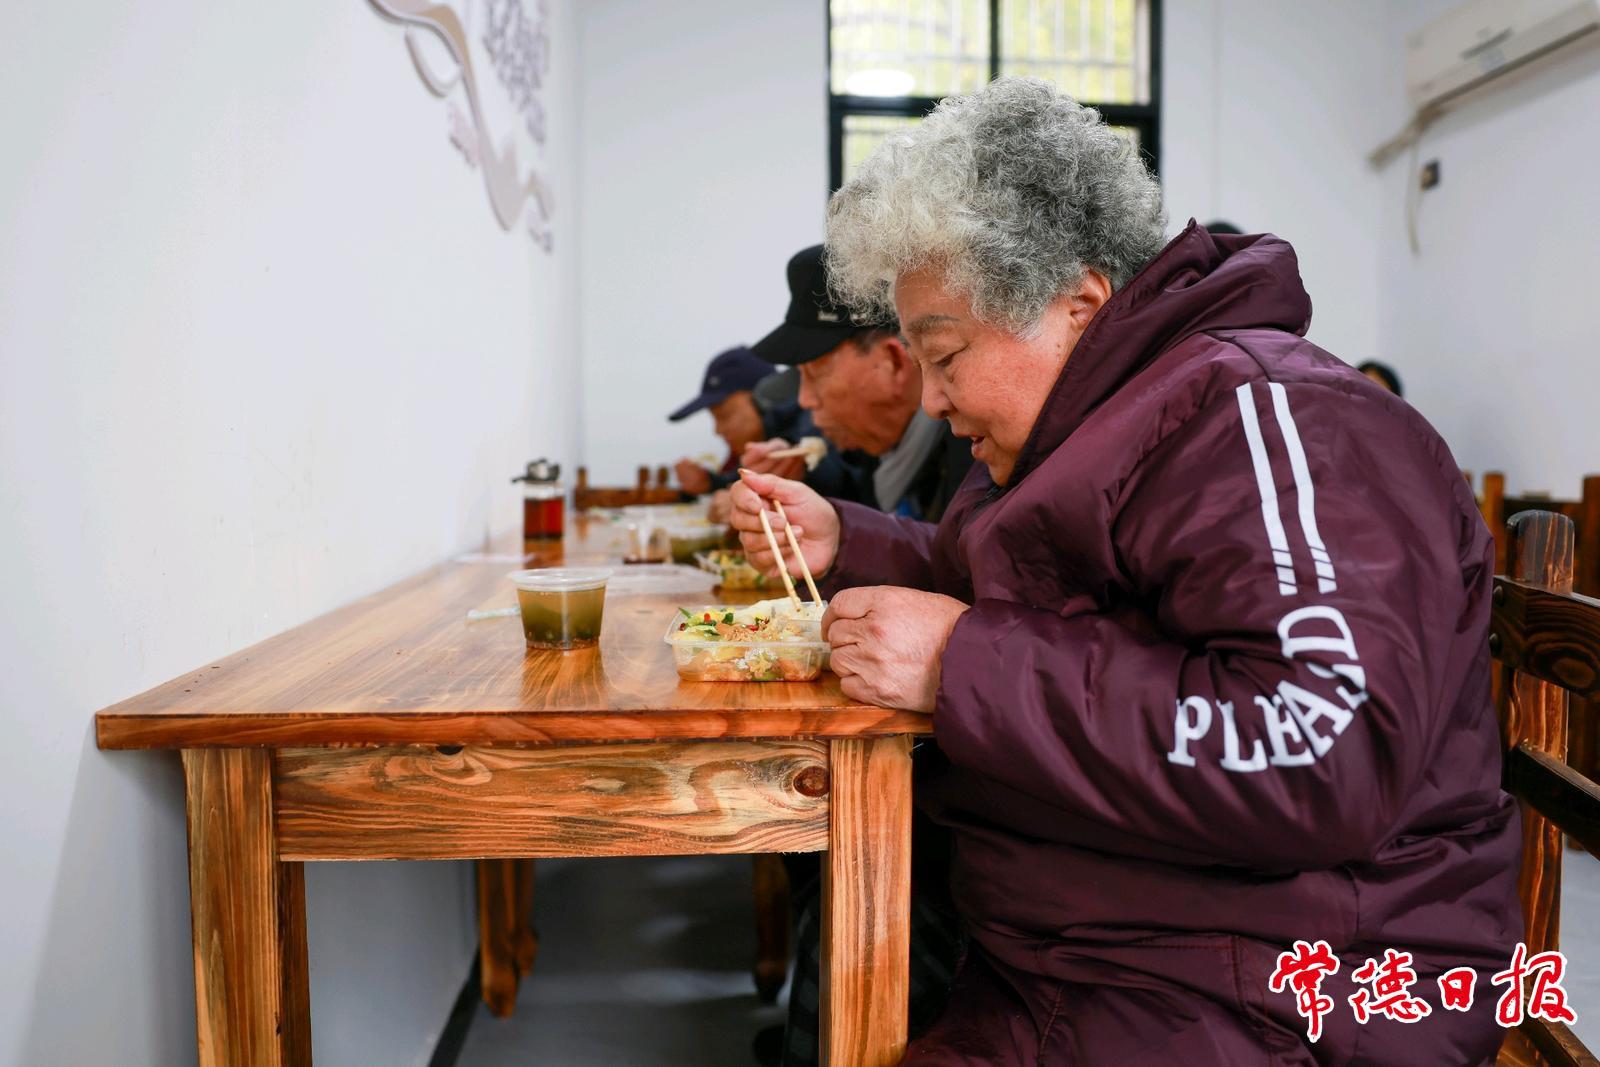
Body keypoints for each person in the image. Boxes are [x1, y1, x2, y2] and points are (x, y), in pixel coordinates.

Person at [731, 78, 1519, 1064]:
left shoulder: (1273, 416)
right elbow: (1012, 589)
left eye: (947, 354)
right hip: (1106, 942)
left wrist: (959, 663)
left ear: (1080, 304)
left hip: (1281, 980)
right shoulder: (1097, 422)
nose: (930, 400)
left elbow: (1324, 753)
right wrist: (849, 541)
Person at [744, 244, 973, 523]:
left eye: (816, 374)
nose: (804, 400)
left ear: (894, 363)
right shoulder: (878, 450)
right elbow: (854, 488)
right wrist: (801, 475)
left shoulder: (979, 456)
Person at [667, 346, 857, 502]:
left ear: (763, 399)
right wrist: (710, 483)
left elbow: (841, 477)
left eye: (724, 416)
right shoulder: (764, 439)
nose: (717, 430)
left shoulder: (811, 423)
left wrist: (802, 471)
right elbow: (746, 475)